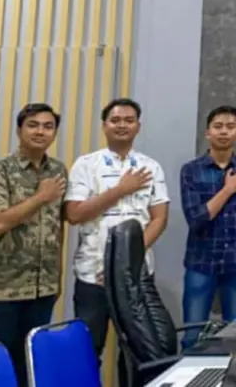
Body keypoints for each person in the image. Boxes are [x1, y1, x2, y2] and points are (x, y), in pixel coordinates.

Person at [65, 98, 170, 359]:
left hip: (137, 275)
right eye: (115, 120)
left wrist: (125, 260)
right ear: (104, 125)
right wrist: (121, 190)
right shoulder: (85, 165)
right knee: (88, 351)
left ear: (138, 127)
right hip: (92, 275)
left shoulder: (151, 167)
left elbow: (159, 219)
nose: (122, 125)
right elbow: (74, 214)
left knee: (140, 351)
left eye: (129, 120)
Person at [0, 103, 68, 387]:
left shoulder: (58, 171)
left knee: (32, 366)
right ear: (19, 130)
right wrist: (40, 197)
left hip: (43, 289)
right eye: (33, 125)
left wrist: (57, 277)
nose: (40, 131)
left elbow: (57, 226)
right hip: (1, 290)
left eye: (48, 126)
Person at [178, 106, 236, 346]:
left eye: (230, 127)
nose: (224, 132)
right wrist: (228, 189)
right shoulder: (191, 170)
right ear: (207, 132)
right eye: (218, 126)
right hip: (201, 264)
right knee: (193, 336)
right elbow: (196, 219)